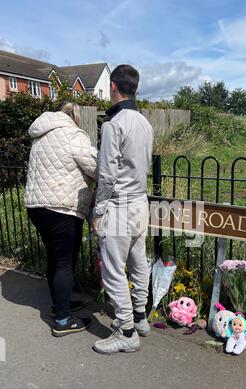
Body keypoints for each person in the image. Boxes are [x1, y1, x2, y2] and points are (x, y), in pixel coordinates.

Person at [92, 64, 154, 354]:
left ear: (113, 86)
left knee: (114, 270)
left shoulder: (113, 124)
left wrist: (98, 211)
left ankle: (126, 331)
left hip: (119, 205)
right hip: (140, 202)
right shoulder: (144, 123)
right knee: (139, 260)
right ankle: (140, 318)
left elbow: (106, 174)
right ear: (135, 89)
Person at [24, 101, 98, 337]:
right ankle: (63, 320)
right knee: (64, 262)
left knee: (55, 259)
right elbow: (96, 167)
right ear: (75, 117)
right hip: (61, 207)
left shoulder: (40, 135)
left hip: (37, 207)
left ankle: (61, 304)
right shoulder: (73, 135)